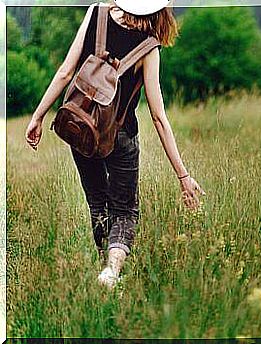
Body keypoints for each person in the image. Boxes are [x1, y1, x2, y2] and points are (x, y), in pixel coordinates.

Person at [24, 0, 205, 289]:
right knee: (124, 211)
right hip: (121, 137)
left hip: (81, 127)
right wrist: (183, 176)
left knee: (98, 203)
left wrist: (38, 116)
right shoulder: (149, 46)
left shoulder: (96, 12)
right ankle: (112, 272)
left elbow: (65, 72)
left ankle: (105, 269)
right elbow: (158, 117)